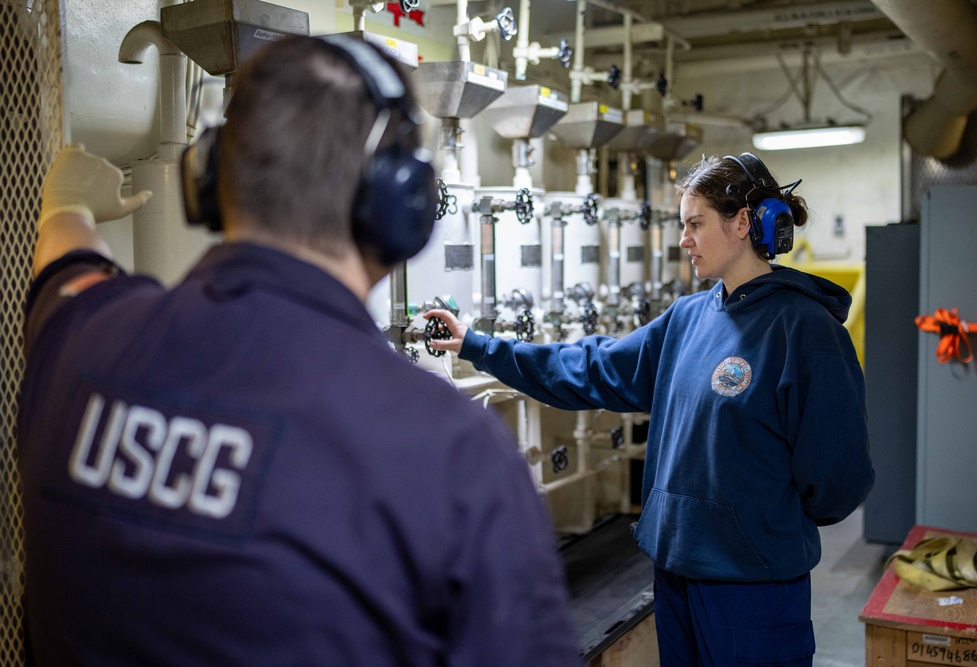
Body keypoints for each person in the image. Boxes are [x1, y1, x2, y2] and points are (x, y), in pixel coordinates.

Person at [19, 35, 579, 666]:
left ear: (207, 177)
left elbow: (68, 265)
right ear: (401, 203)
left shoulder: (82, 339)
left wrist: (64, 205)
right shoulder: (450, 449)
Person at [427, 153, 875, 666]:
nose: (683, 239)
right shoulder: (688, 318)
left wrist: (761, 527)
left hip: (752, 586)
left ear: (743, 224)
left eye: (695, 224)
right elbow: (593, 368)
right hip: (675, 573)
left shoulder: (805, 330)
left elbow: (839, 477)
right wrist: (480, 347)